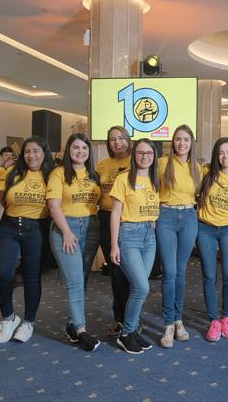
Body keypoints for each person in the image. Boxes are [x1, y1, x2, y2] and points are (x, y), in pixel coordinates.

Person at [0, 137, 53, 343]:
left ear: (44, 153)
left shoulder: (53, 175)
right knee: (1, 273)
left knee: (31, 277)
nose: (31, 155)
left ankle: (28, 322)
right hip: (9, 227)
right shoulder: (11, 173)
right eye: (27, 151)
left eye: (36, 151)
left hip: (37, 229)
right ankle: (8, 318)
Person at [47, 133, 101, 352]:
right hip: (65, 228)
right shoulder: (59, 173)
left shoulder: (93, 175)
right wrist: (67, 232)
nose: (80, 151)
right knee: (75, 281)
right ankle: (80, 329)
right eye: (76, 147)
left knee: (82, 278)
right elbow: (53, 205)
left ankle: (72, 323)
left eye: (84, 148)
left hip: (91, 227)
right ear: (68, 150)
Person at [110, 138, 160, 354]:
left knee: (137, 287)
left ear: (154, 156)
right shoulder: (123, 179)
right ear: (134, 155)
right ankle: (126, 333)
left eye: (149, 153)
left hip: (149, 237)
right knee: (142, 287)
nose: (145, 156)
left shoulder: (155, 179)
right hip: (129, 235)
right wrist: (114, 245)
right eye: (140, 153)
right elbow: (115, 213)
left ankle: (132, 331)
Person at [156, 126, 200, 348]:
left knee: (181, 271)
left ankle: (178, 319)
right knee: (169, 271)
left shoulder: (196, 167)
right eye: (178, 139)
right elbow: (151, 189)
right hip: (166, 215)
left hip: (189, 217)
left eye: (186, 140)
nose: (182, 143)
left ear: (191, 143)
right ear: (172, 142)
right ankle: (168, 323)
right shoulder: (162, 163)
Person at [197, 137, 228, 342]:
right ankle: (214, 320)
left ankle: (226, 317)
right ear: (216, 155)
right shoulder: (206, 173)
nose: (225, 156)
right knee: (209, 276)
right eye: (221, 152)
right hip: (205, 228)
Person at [96, 126, 132, 337]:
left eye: (120, 138)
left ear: (128, 140)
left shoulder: (135, 161)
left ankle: (131, 318)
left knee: (129, 272)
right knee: (115, 271)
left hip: (128, 220)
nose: (117, 142)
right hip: (106, 219)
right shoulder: (103, 165)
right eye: (112, 139)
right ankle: (120, 318)